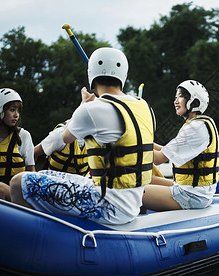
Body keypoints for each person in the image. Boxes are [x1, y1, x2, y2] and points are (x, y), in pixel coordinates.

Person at [10, 47, 155, 225]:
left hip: (108, 205)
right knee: (46, 173)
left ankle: (32, 240)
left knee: (18, 182)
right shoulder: (145, 106)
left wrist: (83, 104)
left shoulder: (91, 109)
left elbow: (65, 137)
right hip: (132, 201)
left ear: (91, 75)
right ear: (122, 76)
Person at [142, 80, 219, 211]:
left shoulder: (195, 128)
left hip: (192, 195)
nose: (176, 101)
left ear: (194, 102)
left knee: (131, 191)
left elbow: (158, 158)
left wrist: (130, 142)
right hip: (193, 190)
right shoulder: (199, 124)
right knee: (149, 179)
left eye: (181, 96)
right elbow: (166, 151)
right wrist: (145, 141)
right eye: (175, 97)